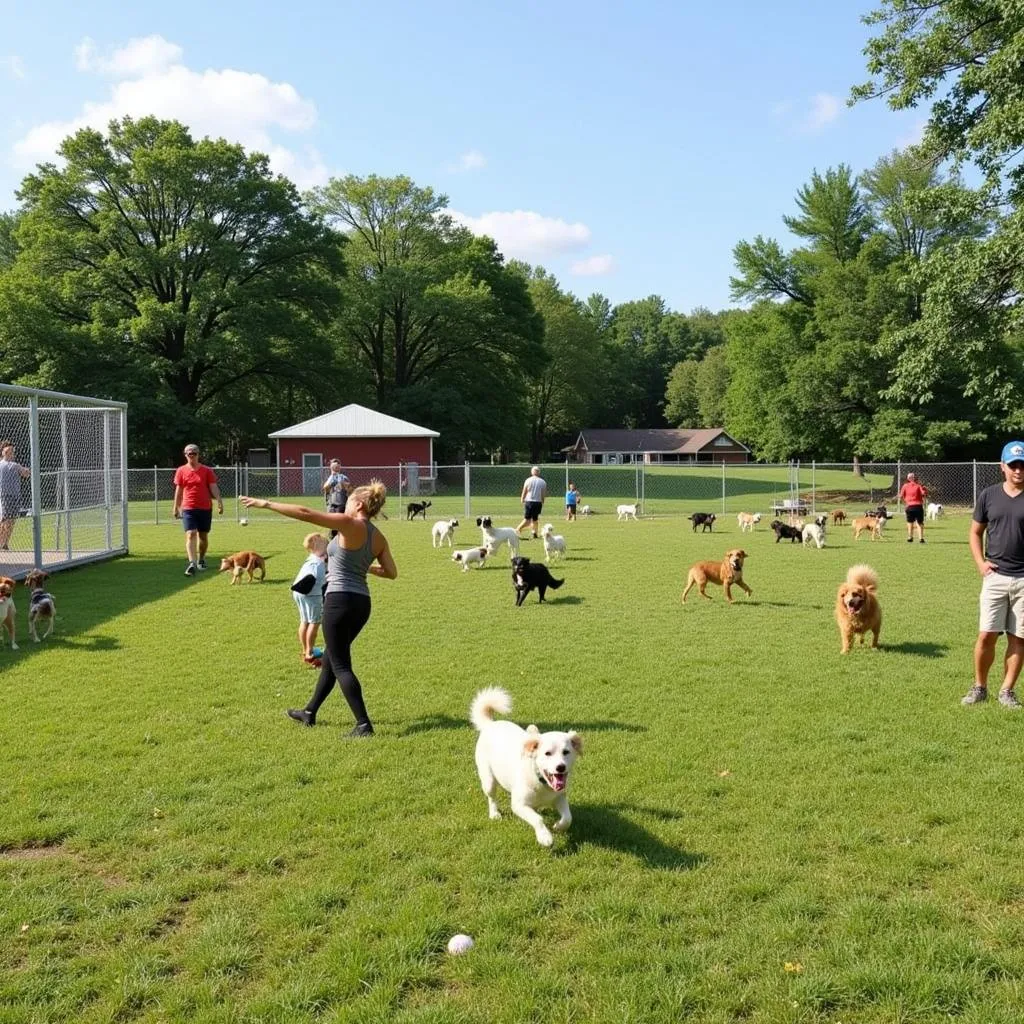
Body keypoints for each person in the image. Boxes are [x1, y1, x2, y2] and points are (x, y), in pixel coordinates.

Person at [240, 479, 397, 737]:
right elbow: (391, 572)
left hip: (339, 601)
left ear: (357, 504)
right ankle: (309, 712)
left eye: (347, 503)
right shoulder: (378, 536)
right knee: (331, 661)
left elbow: (305, 513)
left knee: (341, 664)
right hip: (361, 604)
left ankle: (363, 724)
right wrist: (363, 566)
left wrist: (266, 503)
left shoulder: (349, 524)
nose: (344, 507)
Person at [962, 441, 1024, 709]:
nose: (1018, 471)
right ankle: (980, 687)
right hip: (995, 577)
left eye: (1022, 465)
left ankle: (1007, 691)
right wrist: (980, 563)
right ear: (1002, 466)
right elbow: (975, 533)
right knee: (986, 635)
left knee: (1019, 637)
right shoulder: (989, 495)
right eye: (1013, 465)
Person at [172, 444, 223, 576]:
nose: (192, 455)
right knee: (190, 533)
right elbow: (179, 490)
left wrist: (219, 501)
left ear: (198, 454)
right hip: (188, 507)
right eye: (189, 453)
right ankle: (192, 563)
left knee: (203, 536)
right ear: (185, 455)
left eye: (194, 453)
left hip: (205, 507)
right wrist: (176, 507)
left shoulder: (207, 471)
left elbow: (213, 487)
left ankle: (201, 559)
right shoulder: (181, 470)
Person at [291, 532, 328, 666]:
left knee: (304, 621)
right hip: (312, 595)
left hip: (298, 593)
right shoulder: (318, 564)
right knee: (315, 622)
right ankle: (310, 653)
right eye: (326, 545)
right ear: (320, 547)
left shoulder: (311, 558)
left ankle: (305, 649)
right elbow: (321, 580)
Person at [0, 440, 30, 552]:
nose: (11, 452)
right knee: (5, 520)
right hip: (4, 496)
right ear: (3, 452)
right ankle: (2, 543)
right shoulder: (1, 464)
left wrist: (26, 470)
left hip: (14, 496)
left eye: (12, 450)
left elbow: (25, 474)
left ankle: (5, 543)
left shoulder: (15, 465)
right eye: (8, 450)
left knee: (11, 520)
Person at [322, 459, 351, 539]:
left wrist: (342, 483)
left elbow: (349, 489)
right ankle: (332, 543)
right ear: (330, 467)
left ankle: (342, 541)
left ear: (340, 467)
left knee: (340, 525)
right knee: (332, 526)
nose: (336, 467)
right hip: (331, 505)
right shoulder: (329, 478)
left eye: (337, 466)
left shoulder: (343, 477)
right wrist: (332, 482)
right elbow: (325, 488)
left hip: (341, 504)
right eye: (334, 466)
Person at [516, 466, 547, 539]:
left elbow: (525, 490)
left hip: (529, 501)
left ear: (532, 472)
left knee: (527, 519)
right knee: (535, 519)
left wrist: (522, 498)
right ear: (539, 472)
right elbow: (543, 493)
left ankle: (522, 530)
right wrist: (542, 500)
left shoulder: (528, 480)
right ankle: (532, 532)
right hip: (538, 502)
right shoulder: (542, 481)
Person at [898, 471, 929, 543]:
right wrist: (925, 490)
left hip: (909, 506)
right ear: (915, 478)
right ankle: (921, 538)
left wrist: (905, 501)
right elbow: (924, 494)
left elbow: (901, 496)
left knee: (910, 522)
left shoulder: (905, 486)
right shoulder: (919, 485)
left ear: (908, 478)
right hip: (918, 506)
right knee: (920, 522)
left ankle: (910, 537)